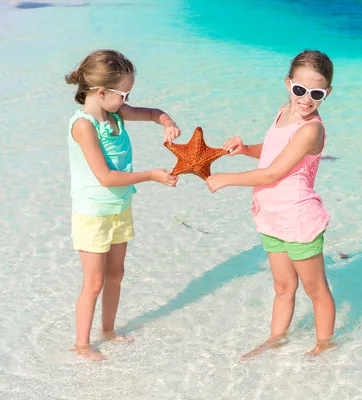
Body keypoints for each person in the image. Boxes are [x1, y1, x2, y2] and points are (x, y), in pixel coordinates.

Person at [206, 50, 336, 359]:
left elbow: (274, 172)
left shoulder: (311, 129)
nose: (306, 99)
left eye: (316, 93)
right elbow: (275, 151)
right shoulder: (283, 112)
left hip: (298, 218)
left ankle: (325, 346)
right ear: (288, 83)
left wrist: (226, 178)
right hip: (271, 216)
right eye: (300, 90)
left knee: (315, 290)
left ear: (327, 93)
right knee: (282, 286)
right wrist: (246, 149)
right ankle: (276, 338)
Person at [65, 49, 181, 361]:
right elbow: (104, 177)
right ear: (101, 92)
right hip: (93, 213)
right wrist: (151, 175)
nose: (126, 100)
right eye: (123, 93)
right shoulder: (84, 125)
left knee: (116, 274)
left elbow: (155, 113)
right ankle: (81, 344)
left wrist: (167, 123)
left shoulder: (116, 113)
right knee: (94, 283)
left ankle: (107, 330)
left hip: (119, 208)